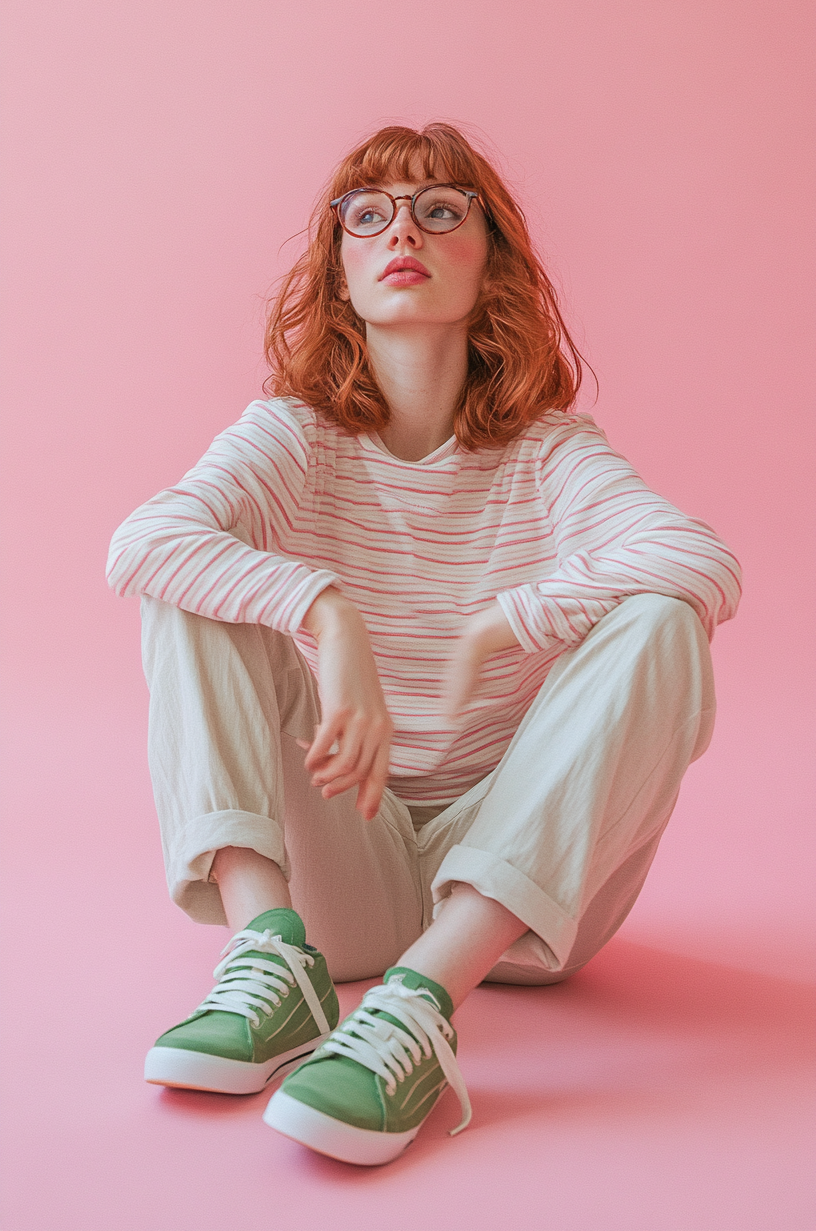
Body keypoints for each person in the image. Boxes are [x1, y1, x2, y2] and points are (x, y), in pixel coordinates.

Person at [107, 122, 741, 1166]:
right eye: (369, 215)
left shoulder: (552, 452)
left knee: (663, 620)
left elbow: (702, 560)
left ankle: (419, 1003)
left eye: (441, 209)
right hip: (343, 859)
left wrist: (518, 615)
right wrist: (327, 609)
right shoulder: (295, 436)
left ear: (488, 259)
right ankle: (273, 959)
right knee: (190, 577)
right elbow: (144, 542)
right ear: (343, 272)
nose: (402, 227)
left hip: (523, 897)